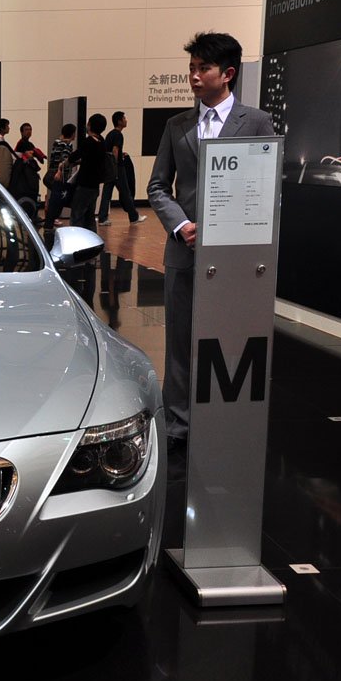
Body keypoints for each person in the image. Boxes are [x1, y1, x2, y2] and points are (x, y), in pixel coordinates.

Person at [147, 31, 274, 450]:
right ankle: (178, 425)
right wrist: (181, 225)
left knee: (230, 339)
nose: (194, 77)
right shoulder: (177, 125)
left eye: (204, 68)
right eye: (191, 68)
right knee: (179, 342)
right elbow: (158, 187)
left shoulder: (256, 123)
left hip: (235, 258)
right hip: (184, 252)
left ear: (228, 73)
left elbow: (266, 186)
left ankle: (224, 419)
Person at [97, 111, 146, 226]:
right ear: (119, 121)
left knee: (107, 193)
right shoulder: (118, 135)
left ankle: (102, 218)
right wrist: (116, 164)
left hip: (109, 168)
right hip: (117, 168)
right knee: (125, 192)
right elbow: (115, 150)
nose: (126, 120)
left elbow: (110, 150)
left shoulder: (110, 134)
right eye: (124, 118)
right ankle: (134, 217)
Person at [67, 113, 107, 233]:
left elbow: (75, 155)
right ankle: (92, 240)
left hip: (84, 184)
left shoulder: (88, 142)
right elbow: (92, 159)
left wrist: (65, 163)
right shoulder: (102, 141)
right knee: (90, 217)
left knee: (77, 215)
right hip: (95, 185)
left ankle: (76, 239)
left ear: (90, 125)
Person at [43, 123, 76, 230]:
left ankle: (50, 219)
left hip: (50, 173)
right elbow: (64, 159)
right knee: (59, 198)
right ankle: (52, 219)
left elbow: (55, 157)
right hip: (60, 176)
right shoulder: (68, 145)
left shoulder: (57, 142)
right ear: (72, 134)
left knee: (55, 197)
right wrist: (60, 171)